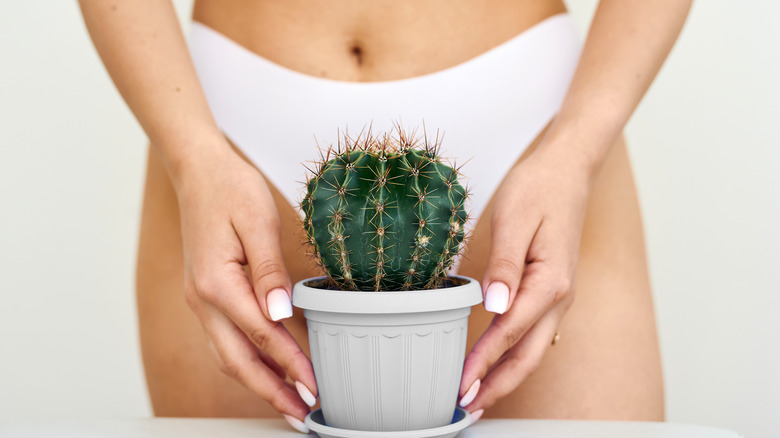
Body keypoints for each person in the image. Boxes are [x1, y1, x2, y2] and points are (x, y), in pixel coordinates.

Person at [79, 0, 691, 433]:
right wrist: (190, 155)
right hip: (219, 132)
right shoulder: (202, 150)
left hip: (539, 128)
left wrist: (578, 151)